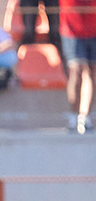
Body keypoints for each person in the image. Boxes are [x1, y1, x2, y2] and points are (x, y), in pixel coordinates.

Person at [60, 0, 96, 134]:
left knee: (92, 72)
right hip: (72, 30)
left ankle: (85, 116)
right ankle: (73, 116)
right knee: (76, 70)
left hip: (93, 29)